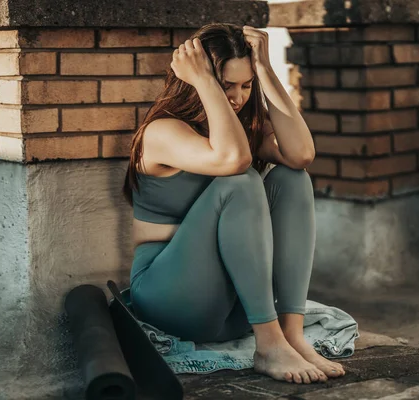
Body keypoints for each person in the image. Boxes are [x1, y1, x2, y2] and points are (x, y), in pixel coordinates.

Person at [122, 23, 345, 384]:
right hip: (171, 298)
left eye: (246, 85)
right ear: (196, 81)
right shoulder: (162, 131)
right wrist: (205, 82)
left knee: (292, 178)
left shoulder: (240, 132)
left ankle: (290, 334)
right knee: (241, 182)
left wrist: (267, 71)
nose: (238, 97)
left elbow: (302, 154)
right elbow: (234, 162)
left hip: (236, 309)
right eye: (227, 85)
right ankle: (269, 345)